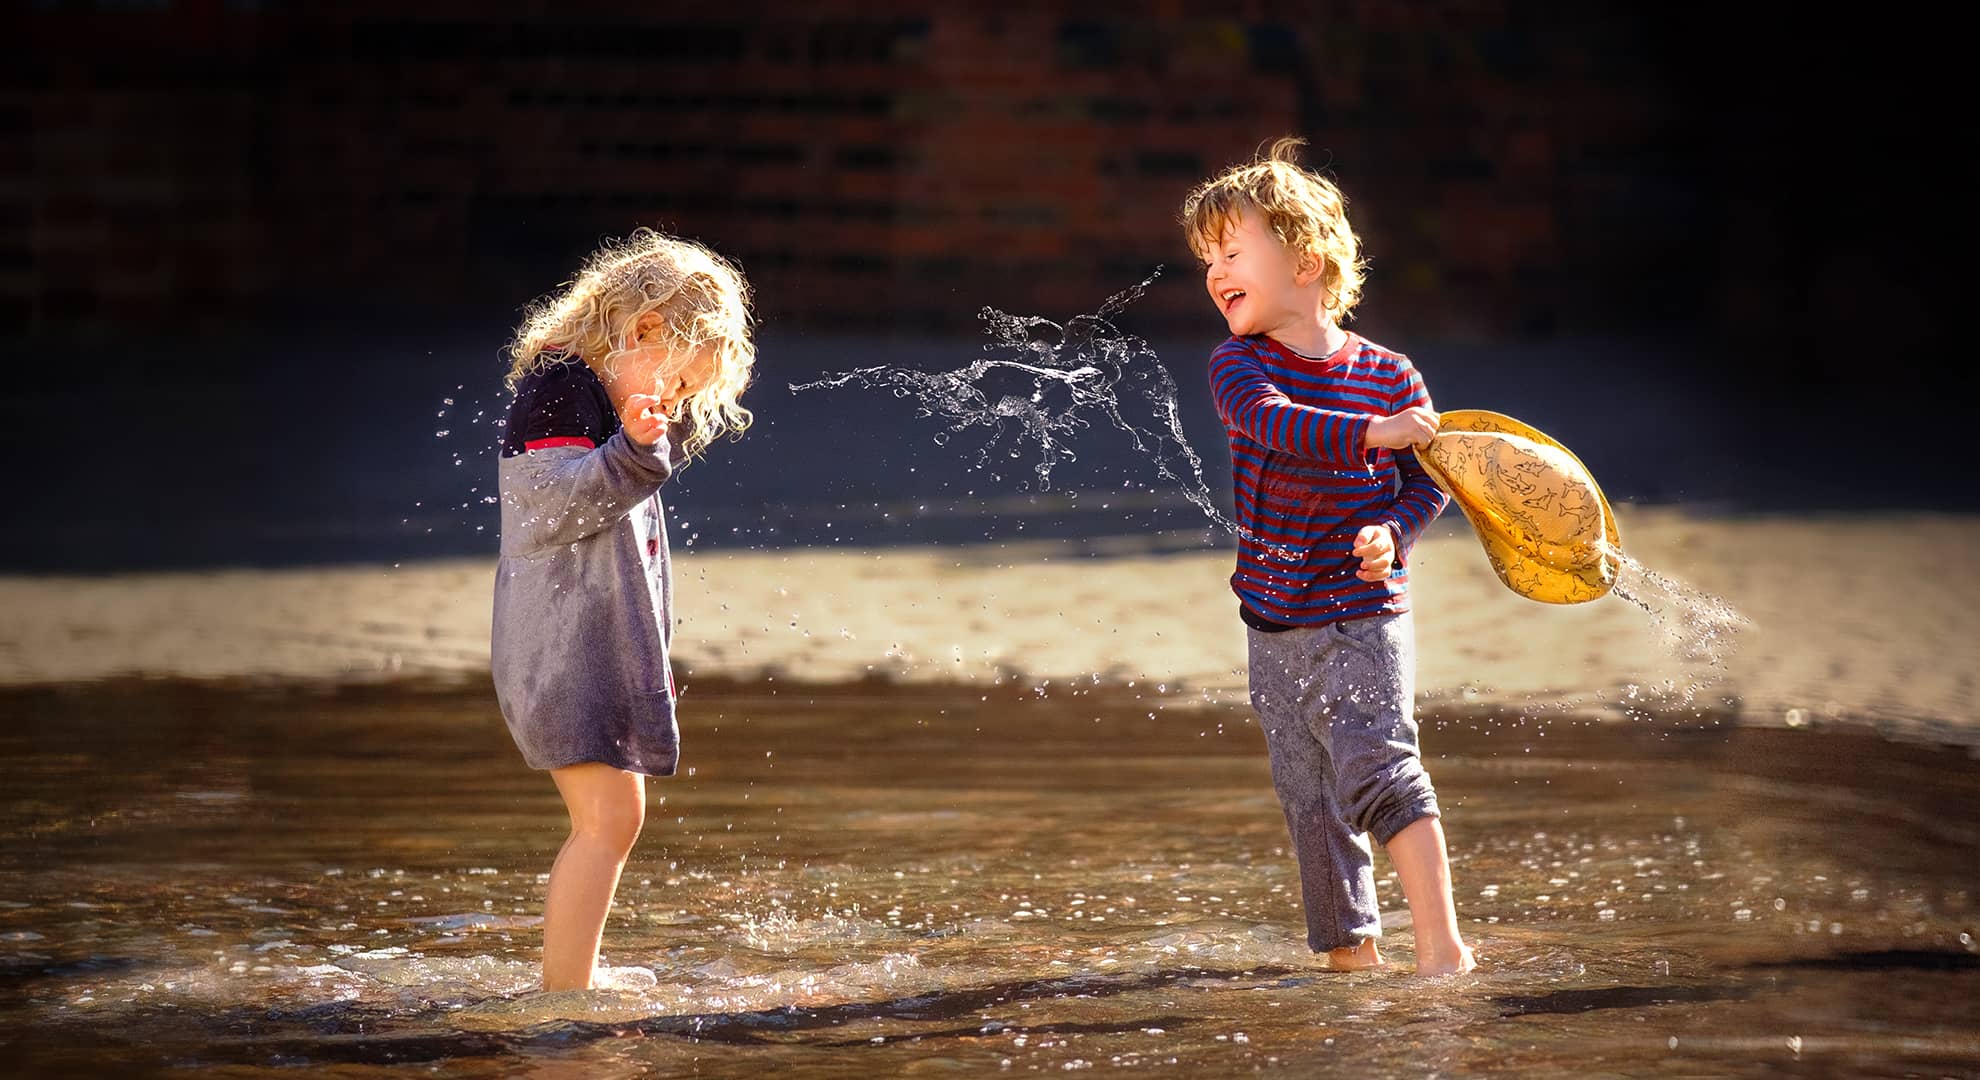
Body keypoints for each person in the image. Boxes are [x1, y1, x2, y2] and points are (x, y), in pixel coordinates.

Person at [1179, 138, 1475, 975]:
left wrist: (1397, 529)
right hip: (1271, 624)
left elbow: (1429, 480)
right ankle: (1352, 963)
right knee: (1311, 802)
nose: (1215, 271)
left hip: (1361, 614)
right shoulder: (1237, 365)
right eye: (1207, 258)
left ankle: (1442, 949)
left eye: (1233, 251)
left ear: (1306, 261)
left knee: (1381, 768)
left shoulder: (1391, 376)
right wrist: (1372, 438)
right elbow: (1280, 425)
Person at [491, 228, 755, 991]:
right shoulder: (562, 385)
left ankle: (574, 975)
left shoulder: (600, 405)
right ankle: (564, 995)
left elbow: (627, 561)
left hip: (587, 647)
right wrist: (635, 455)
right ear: (640, 329)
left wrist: (647, 665)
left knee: (618, 818)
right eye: (673, 380)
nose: (671, 403)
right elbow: (547, 511)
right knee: (606, 821)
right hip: (555, 653)